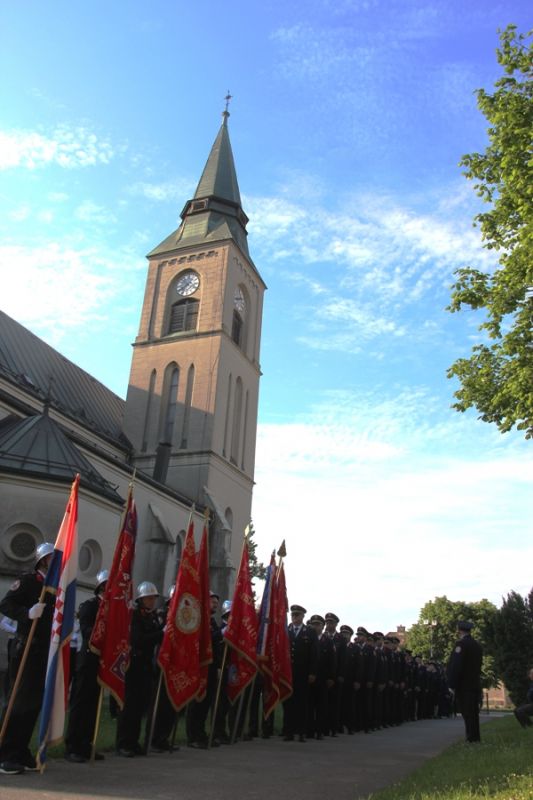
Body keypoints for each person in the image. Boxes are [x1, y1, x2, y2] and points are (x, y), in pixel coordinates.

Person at [0, 542, 55, 775]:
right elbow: (5, 604)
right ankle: (6, 753)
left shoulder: (55, 586)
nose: (57, 562)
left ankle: (21, 749)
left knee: (33, 703)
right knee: (18, 701)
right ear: (42, 560)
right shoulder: (29, 581)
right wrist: (27, 614)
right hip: (26, 648)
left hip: (43, 650)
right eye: (52, 558)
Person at [64, 569, 109, 763]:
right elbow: (87, 630)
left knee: (93, 704)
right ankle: (72, 745)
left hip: (102, 662)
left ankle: (86, 743)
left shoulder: (113, 610)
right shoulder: (90, 606)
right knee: (81, 702)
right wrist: (108, 633)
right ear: (102, 587)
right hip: (87, 659)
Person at [116, 582, 163, 757]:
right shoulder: (135, 616)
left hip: (146, 666)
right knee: (129, 706)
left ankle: (133, 741)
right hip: (134, 665)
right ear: (141, 599)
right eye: (148, 598)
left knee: (140, 706)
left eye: (153, 598)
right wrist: (161, 633)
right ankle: (123, 743)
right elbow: (139, 639)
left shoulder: (152, 617)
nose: (152, 601)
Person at [282, 604, 318, 742]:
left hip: (303, 673)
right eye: (293, 615)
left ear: (303, 616)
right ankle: (288, 731)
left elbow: (314, 654)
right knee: (288, 702)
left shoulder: (310, 632)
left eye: (297, 615)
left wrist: (312, 672)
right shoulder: (286, 630)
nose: (295, 617)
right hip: (288, 673)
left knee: (302, 703)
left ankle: (301, 731)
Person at [447, 620, 483, 743]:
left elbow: (456, 665)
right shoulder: (477, 645)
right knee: (473, 713)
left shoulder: (461, 645)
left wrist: (451, 684)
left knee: (467, 712)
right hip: (474, 683)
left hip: (464, 685)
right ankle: (475, 737)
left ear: (459, 631)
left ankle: (471, 738)